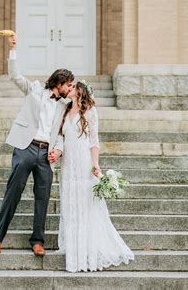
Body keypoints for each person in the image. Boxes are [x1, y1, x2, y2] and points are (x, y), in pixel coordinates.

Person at [0, 35, 74, 258]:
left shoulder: (66, 105)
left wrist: (59, 149)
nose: (70, 88)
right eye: (68, 84)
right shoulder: (34, 90)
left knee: (42, 197)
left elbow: (63, 133)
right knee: (13, 193)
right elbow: (15, 76)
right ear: (59, 83)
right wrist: (13, 49)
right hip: (25, 147)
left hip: (47, 154)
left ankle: (37, 240)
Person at [56, 80, 134, 272]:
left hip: (83, 162)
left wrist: (95, 164)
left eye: (73, 87)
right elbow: (60, 136)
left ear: (80, 91)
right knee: (71, 201)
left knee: (84, 202)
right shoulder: (64, 111)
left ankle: (86, 249)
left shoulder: (90, 111)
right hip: (68, 164)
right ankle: (73, 246)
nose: (69, 88)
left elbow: (94, 141)